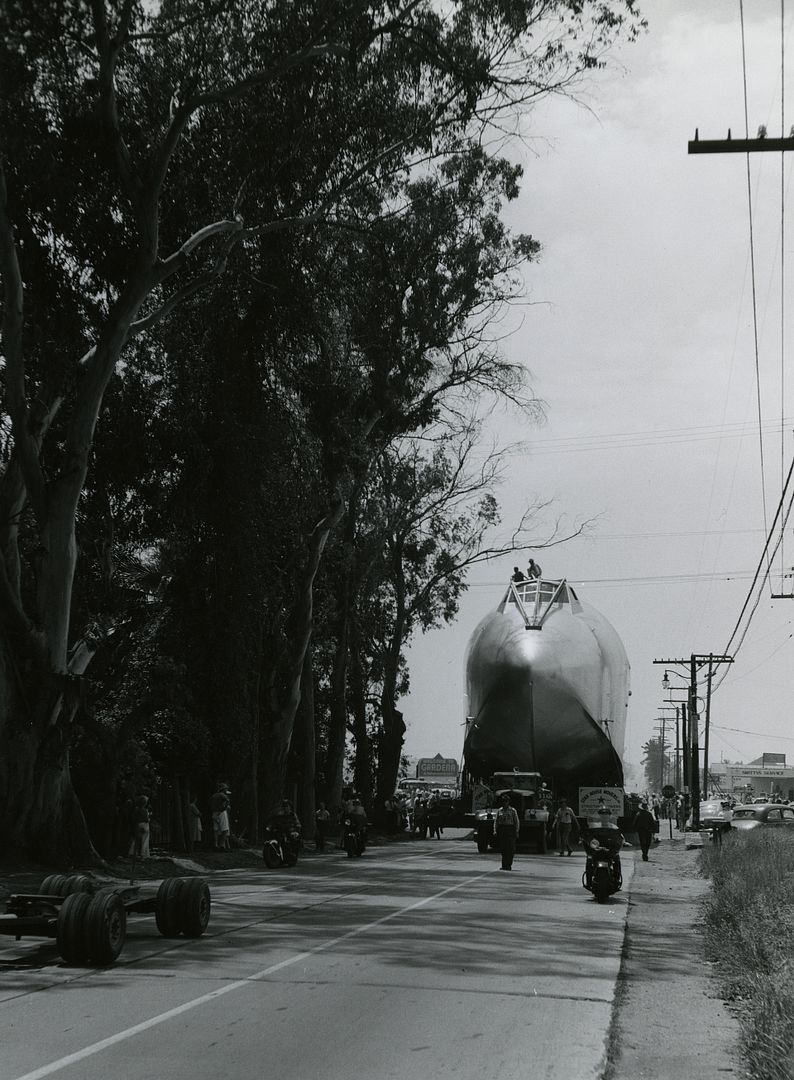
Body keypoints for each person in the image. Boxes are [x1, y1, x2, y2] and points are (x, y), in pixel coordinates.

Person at [495, 793, 520, 870]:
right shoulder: (499, 811)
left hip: (510, 830)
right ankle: (504, 865)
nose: (504, 803)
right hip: (502, 830)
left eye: (506, 801)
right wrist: (495, 830)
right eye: (503, 801)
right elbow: (496, 821)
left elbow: (516, 821)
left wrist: (516, 831)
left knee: (511, 849)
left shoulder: (512, 810)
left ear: (508, 802)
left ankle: (508, 864)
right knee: (503, 848)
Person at [128, 794, 151, 859]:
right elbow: (146, 819)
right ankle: (143, 854)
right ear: (145, 803)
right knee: (145, 840)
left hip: (137, 825)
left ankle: (132, 853)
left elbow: (133, 818)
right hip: (145, 825)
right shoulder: (145, 810)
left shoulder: (136, 809)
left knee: (136, 839)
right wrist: (149, 819)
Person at [211, 782, 231, 851]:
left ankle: (215, 845)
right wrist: (224, 808)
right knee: (225, 829)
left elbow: (210, 803)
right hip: (221, 812)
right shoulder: (222, 795)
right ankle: (222, 845)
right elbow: (227, 801)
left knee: (216, 830)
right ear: (224, 789)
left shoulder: (214, 796)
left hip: (214, 813)